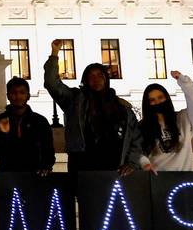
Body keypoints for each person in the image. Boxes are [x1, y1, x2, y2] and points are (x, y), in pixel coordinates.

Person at [44, 39, 144, 174]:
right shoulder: (74, 100)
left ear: (106, 79)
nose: (96, 79)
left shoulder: (121, 107)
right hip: (82, 165)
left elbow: (135, 138)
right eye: (91, 76)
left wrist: (132, 163)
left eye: (99, 76)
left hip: (114, 167)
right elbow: (52, 84)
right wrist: (54, 53)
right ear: (85, 81)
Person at [0, 77, 56, 176]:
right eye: (14, 93)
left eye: (22, 92)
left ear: (28, 96)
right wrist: (3, 135)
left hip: (35, 175)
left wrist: (46, 167)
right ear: (8, 96)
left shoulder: (40, 121)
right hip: (7, 176)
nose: (18, 96)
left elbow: (48, 149)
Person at [138, 71, 193, 172]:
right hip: (157, 179)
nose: (157, 102)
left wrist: (183, 81)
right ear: (147, 104)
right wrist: (145, 164)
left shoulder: (184, 118)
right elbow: (137, 151)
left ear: (167, 98)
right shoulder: (142, 127)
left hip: (184, 179)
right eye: (152, 100)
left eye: (160, 97)